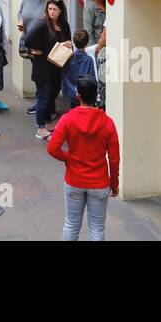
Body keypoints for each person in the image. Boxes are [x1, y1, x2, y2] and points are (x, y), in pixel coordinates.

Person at [47, 76, 120, 241]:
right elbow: (114, 159)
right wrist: (114, 184)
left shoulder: (67, 119)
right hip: (99, 183)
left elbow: (52, 148)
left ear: (78, 94)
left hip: (74, 180)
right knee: (97, 230)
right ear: (96, 96)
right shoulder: (108, 123)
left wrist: (68, 159)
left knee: (71, 225)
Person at [24, 0, 72, 139]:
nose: (52, 12)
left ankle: (45, 122)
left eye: (55, 9)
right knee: (43, 97)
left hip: (57, 67)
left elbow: (67, 42)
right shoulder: (42, 24)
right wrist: (35, 50)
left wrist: (68, 45)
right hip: (43, 68)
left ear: (61, 11)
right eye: (49, 9)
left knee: (52, 94)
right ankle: (40, 129)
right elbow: (28, 39)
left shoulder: (64, 25)